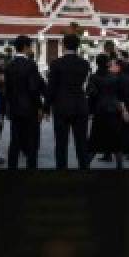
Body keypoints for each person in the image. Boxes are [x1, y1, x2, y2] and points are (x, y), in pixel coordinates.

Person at [46, 33, 91, 167]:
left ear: (64, 45)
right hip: (80, 104)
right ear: (78, 46)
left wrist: (45, 107)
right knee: (81, 143)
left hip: (61, 106)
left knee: (61, 144)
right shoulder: (84, 64)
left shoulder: (56, 64)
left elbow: (51, 87)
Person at [3, 35, 46, 169]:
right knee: (31, 142)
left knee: (15, 141)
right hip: (30, 108)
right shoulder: (30, 65)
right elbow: (33, 88)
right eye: (30, 46)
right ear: (26, 47)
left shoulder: (9, 65)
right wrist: (40, 107)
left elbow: (7, 90)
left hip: (15, 108)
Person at [86, 55, 129, 168]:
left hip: (100, 112)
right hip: (114, 111)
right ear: (107, 64)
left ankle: (85, 166)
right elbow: (120, 96)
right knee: (116, 144)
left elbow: (91, 93)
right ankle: (119, 168)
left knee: (94, 143)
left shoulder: (93, 77)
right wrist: (124, 111)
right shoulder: (114, 77)